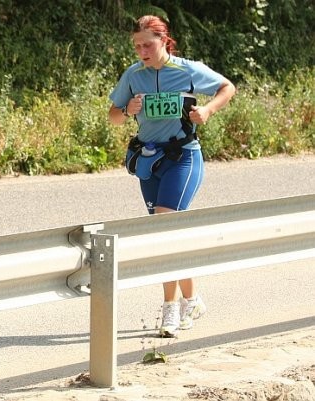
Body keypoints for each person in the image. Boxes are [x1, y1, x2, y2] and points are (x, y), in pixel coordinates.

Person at [107, 15, 236, 337]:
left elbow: (226, 87)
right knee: (167, 234)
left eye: (147, 45)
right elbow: (113, 117)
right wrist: (127, 111)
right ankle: (192, 299)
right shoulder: (134, 75)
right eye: (137, 46)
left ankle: (170, 311)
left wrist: (207, 110)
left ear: (164, 41)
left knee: (163, 230)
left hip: (183, 157)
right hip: (149, 160)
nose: (142, 51)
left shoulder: (188, 69)